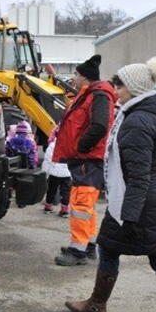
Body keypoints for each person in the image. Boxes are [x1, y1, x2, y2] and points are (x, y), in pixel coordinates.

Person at [64, 56, 156, 312]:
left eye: (120, 85)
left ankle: (96, 304)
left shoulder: (138, 122)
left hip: (141, 204)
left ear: (135, 88)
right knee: (110, 247)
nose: (116, 90)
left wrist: (130, 216)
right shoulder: (145, 113)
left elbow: (139, 176)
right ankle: (96, 304)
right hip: (147, 200)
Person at [53, 54, 117, 266]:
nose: (74, 77)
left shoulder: (98, 95)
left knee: (81, 204)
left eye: (76, 74)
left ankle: (77, 250)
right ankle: (88, 245)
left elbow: (99, 126)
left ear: (84, 77)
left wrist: (81, 146)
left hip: (87, 159)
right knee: (85, 205)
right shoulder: (92, 94)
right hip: (86, 159)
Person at [42, 128, 72, 217]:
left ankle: (48, 207)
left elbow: (47, 159)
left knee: (51, 190)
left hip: (54, 172)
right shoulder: (70, 145)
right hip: (67, 174)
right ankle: (64, 210)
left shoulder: (52, 146)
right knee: (66, 191)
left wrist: (45, 172)